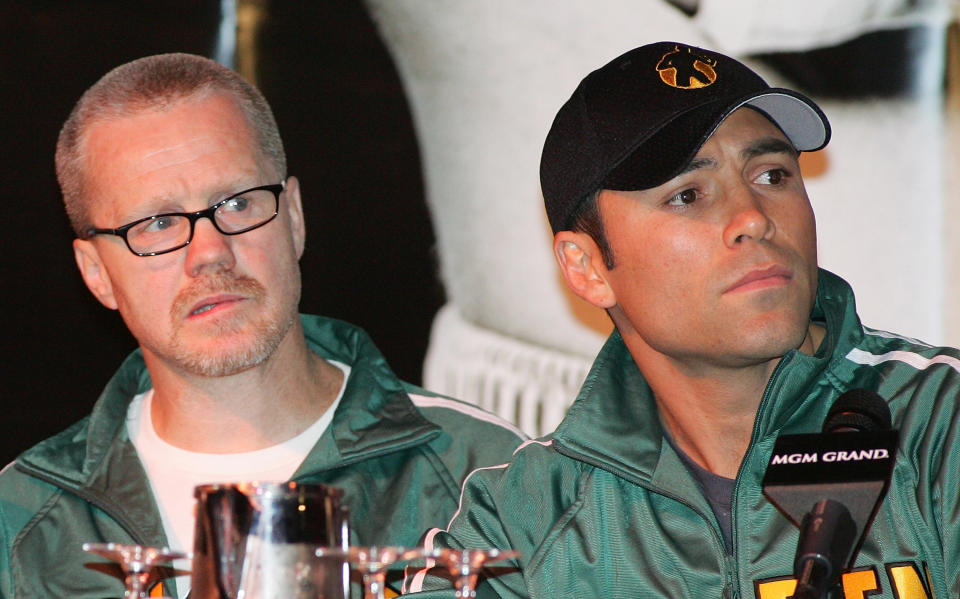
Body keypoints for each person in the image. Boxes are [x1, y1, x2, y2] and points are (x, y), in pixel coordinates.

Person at [403, 41, 960, 598]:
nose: (752, 220)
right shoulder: (520, 521)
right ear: (589, 267)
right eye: (688, 195)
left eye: (772, 175)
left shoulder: (941, 424)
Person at [0, 53, 526, 599]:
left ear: (294, 216)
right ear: (97, 274)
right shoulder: (20, 526)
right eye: (156, 223)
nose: (209, 251)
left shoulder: (492, 478)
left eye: (237, 203)